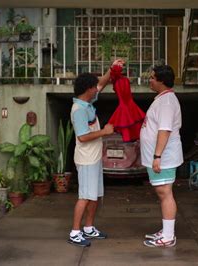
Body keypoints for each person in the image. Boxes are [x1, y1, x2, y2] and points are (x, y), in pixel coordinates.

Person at [67, 59, 123, 247]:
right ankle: (75, 232)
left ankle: (89, 228)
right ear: (87, 89)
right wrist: (105, 132)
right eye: (94, 87)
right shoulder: (79, 110)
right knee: (85, 196)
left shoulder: (87, 103)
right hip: (86, 160)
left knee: (95, 195)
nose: (96, 89)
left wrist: (112, 69)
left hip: (94, 158)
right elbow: (82, 136)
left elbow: (101, 84)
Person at [140, 64, 183, 248]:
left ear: (162, 81)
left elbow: (164, 130)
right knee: (163, 193)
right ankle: (166, 231)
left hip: (162, 157)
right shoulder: (162, 99)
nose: (149, 80)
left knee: (164, 193)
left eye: (152, 77)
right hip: (158, 156)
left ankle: (168, 236)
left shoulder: (166, 102)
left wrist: (157, 156)